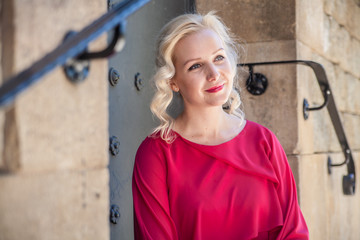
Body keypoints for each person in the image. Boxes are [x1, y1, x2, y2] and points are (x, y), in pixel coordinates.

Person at [132, 12, 309, 240]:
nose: (214, 74)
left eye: (218, 58)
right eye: (195, 66)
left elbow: (294, 232)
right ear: (172, 82)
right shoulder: (157, 153)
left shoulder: (263, 141)